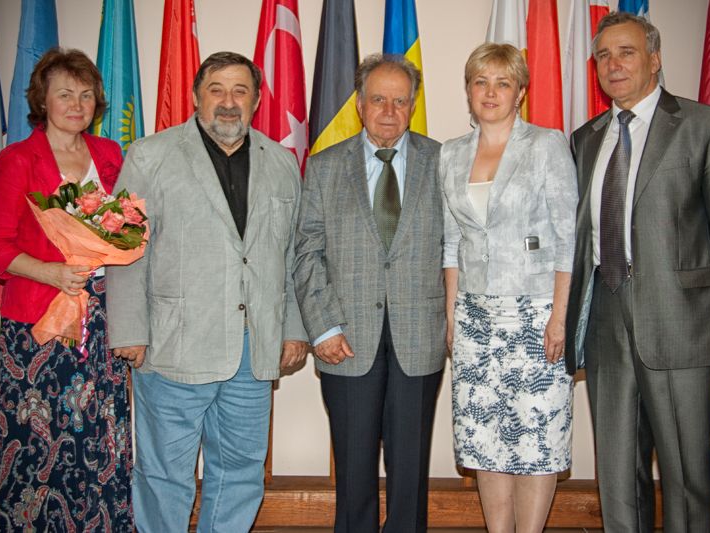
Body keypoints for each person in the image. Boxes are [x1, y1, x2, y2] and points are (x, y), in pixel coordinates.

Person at [564, 11, 710, 532]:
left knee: (687, 477)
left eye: (626, 52)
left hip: (682, 323)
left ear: (654, 59)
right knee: (617, 476)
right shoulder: (585, 139)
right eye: (603, 55)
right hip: (605, 321)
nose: (613, 64)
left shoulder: (702, 125)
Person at [105, 52, 308, 533]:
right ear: (197, 96)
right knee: (164, 473)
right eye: (216, 89)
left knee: (241, 470)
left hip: (253, 347)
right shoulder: (150, 156)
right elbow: (124, 246)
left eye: (240, 91)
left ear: (256, 101)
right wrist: (129, 330)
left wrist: (293, 328)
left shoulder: (282, 162)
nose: (228, 101)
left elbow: (290, 255)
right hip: (173, 344)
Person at [0, 48, 133, 531]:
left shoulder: (110, 155)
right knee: (38, 439)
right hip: (39, 325)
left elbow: (126, 227)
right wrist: (50, 272)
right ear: (42, 100)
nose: (77, 104)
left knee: (98, 431)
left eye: (86, 95)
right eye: (65, 94)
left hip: (103, 317)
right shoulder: (15, 160)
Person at [294, 53, 445, 533]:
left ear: (413, 105)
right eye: (378, 99)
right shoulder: (324, 167)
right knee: (353, 464)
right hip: (345, 339)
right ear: (359, 105)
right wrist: (323, 328)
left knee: (410, 469)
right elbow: (306, 252)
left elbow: (459, 248)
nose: (389, 111)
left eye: (400, 101)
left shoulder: (443, 162)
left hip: (420, 336)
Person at [440, 43, 578, 533]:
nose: (490, 92)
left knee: (536, 437)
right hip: (475, 317)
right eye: (481, 82)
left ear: (520, 92)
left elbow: (568, 238)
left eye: (502, 82)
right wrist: (453, 316)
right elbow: (451, 242)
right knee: (485, 438)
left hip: (537, 316)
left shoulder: (546, 144)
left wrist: (560, 317)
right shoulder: (451, 153)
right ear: (469, 90)